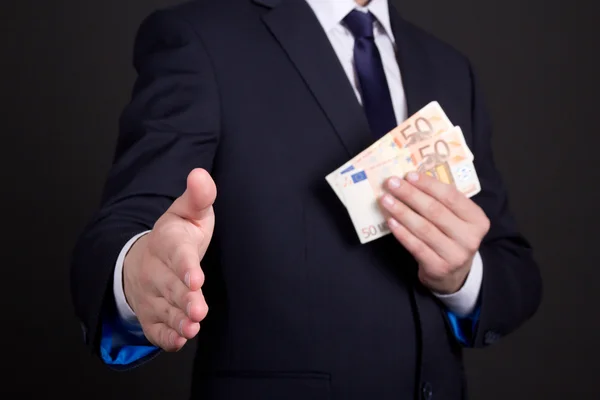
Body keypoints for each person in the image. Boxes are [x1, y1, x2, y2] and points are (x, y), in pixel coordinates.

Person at [70, 0, 542, 398]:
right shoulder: (202, 39)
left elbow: (513, 268)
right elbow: (119, 231)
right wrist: (137, 275)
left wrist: (462, 278)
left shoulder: (450, 67)